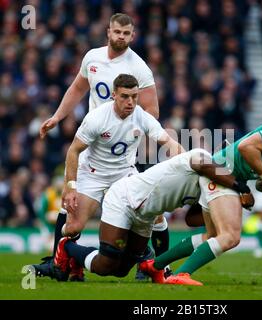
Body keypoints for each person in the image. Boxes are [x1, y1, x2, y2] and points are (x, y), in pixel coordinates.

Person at [35, 13, 170, 279]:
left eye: (126, 33)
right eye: (117, 32)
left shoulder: (139, 68)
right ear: (108, 31)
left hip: (121, 154)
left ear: (132, 36)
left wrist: (126, 130)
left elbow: (152, 110)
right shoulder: (92, 58)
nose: (121, 37)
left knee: (152, 211)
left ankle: (157, 265)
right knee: (71, 215)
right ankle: (60, 262)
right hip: (92, 145)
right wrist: (57, 116)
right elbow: (77, 89)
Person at [140, 110, 262, 285]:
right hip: (221, 172)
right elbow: (246, 147)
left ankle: (154, 265)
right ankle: (182, 274)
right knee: (231, 236)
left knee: (212, 236)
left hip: (229, 179)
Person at [48, 149, 254, 283]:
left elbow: (191, 219)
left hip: (145, 217)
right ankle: (66, 247)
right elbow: (203, 164)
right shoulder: (203, 157)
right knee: (106, 265)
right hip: (125, 198)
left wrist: (228, 203)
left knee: (120, 271)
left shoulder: (208, 186)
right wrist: (239, 186)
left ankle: (75, 257)